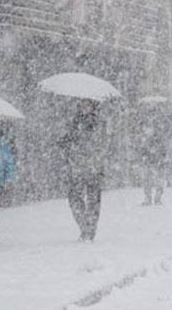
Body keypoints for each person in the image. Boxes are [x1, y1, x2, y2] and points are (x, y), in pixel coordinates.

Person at [58, 99, 106, 242]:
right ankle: (84, 227)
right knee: (74, 198)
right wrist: (65, 142)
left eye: (87, 104)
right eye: (81, 104)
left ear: (92, 106)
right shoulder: (73, 123)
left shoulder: (99, 123)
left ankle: (90, 229)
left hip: (93, 167)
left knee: (93, 200)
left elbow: (102, 144)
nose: (84, 107)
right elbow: (68, 142)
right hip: (76, 167)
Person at [136, 104, 172, 205]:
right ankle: (152, 196)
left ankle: (154, 196)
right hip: (151, 155)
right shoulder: (145, 125)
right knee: (150, 177)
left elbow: (164, 139)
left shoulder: (160, 125)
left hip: (155, 155)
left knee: (154, 177)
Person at [0, 121, 17, 207]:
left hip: (0, 182)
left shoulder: (3, 146)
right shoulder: (3, 146)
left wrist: (9, 180)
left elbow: (9, 164)